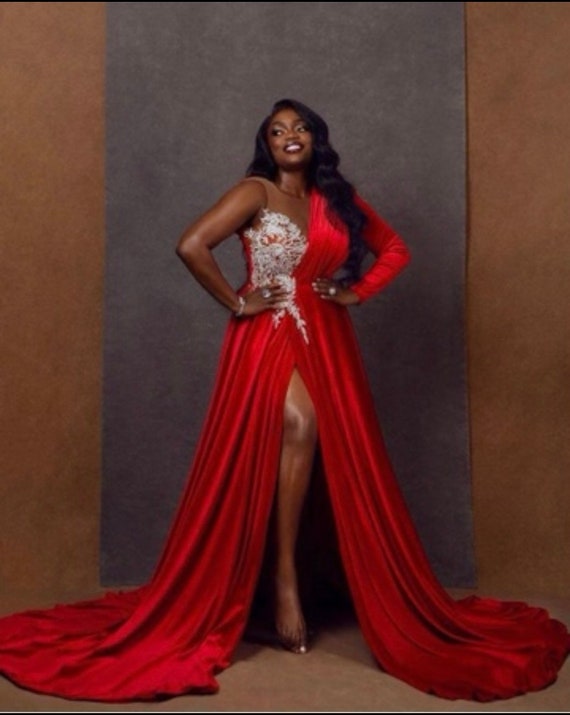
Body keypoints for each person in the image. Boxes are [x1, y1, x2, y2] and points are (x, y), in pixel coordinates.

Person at [0, 99, 568, 703]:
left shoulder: (336, 198)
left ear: (316, 139)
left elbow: (395, 249)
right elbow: (192, 244)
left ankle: (294, 571)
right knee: (298, 423)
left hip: (327, 336)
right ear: (266, 146)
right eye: (277, 131)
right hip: (267, 334)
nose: (289, 137)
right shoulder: (255, 192)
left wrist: (356, 292)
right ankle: (284, 579)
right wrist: (237, 299)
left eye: (299, 128)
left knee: (323, 438)